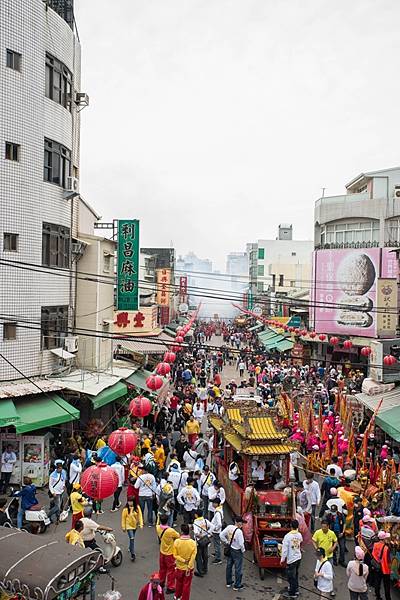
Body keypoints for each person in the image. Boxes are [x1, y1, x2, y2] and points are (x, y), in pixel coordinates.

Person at [220, 516, 246, 592]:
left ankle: (229, 582)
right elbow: (241, 544)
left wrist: (227, 542)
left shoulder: (229, 527)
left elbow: (221, 535)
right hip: (237, 551)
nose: (242, 524)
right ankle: (237, 585)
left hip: (230, 549)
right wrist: (243, 550)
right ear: (238, 523)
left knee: (229, 566)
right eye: (241, 523)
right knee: (238, 568)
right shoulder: (239, 532)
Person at [156, 514, 180, 594]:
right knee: (171, 570)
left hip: (162, 551)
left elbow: (157, 523)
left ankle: (161, 582)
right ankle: (170, 586)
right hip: (170, 553)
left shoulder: (158, 528)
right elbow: (178, 536)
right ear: (167, 520)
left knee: (162, 569)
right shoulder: (170, 531)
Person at [173, 523, 197, 600]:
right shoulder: (193, 543)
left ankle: (177, 595)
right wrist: (189, 566)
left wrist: (183, 560)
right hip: (188, 569)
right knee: (187, 585)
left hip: (179, 566)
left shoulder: (177, 542)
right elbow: (193, 556)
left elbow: (175, 555)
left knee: (178, 582)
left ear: (182, 531)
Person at [280, 519, 303, 599]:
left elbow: (284, 550)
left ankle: (292, 593)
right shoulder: (299, 535)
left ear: (291, 526)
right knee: (295, 574)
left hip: (292, 559)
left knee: (290, 576)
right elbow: (301, 542)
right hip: (298, 558)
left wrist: (282, 559)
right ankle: (296, 589)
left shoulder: (287, 536)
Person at [121, 496, 143, 561]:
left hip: (134, 526)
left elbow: (140, 516)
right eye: (128, 501)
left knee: (132, 538)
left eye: (131, 501)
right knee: (132, 538)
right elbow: (123, 518)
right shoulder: (125, 509)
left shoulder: (137, 508)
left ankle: (130, 547)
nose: (129, 503)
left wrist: (141, 524)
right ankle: (132, 554)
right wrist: (123, 527)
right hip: (128, 526)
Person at [372, 531, 392, 600]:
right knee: (386, 585)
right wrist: (391, 569)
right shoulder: (386, 548)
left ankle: (378, 596)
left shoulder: (375, 544)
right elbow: (388, 561)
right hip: (385, 569)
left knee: (377, 582)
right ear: (384, 539)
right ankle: (388, 598)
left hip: (377, 567)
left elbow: (373, 554)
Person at [193, 508, 212, 577]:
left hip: (199, 542)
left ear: (196, 515)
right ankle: (205, 569)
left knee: (198, 557)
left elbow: (196, 532)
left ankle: (200, 571)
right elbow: (212, 526)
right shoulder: (205, 521)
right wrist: (208, 534)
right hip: (206, 540)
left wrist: (200, 535)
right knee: (205, 555)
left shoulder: (195, 523)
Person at [210, 497, 224, 564]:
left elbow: (219, 524)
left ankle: (218, 558)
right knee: (216, 543)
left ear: (216, 504)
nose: (212, 504)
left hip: (216, 532)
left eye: (213, 503)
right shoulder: (219, 509)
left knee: (217, 544)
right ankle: (216, 553)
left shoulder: (217, 513)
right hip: (217, 531)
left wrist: (215, 528)